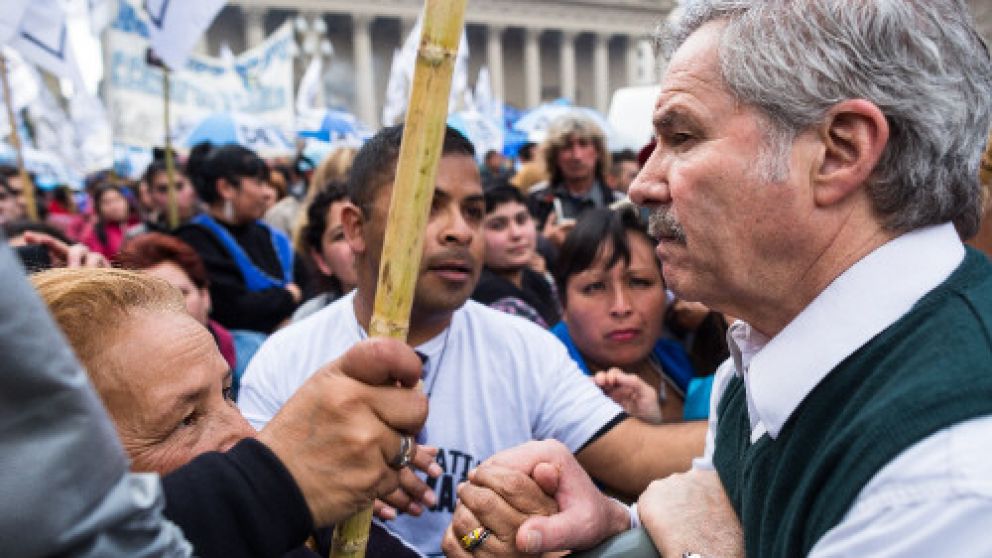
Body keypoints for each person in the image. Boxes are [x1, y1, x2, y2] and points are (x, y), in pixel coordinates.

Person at [444, 1, 992, 557]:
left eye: (682, 137)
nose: (641, 184)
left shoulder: (948, 471)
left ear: (838, 151)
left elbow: (708, 537)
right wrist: (618, 529)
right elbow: (716, 520)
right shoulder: (763, 352)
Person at [238, 124, 706, 557]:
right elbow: (253, 523)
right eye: (427, 206)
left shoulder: (527, 350)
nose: (459, 230)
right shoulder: (286, 360)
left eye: (474, 212)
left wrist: (770, 418)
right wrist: (318, 492)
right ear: (356, 227)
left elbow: (639, 454)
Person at [31, 266, 437, 558]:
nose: (248, 435)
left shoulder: (304, 533)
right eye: (184, 421)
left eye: (227, 394)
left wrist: (478, 539)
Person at [551, 207, 707, 423]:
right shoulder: (546, 385)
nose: (621, 307)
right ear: (563, 303)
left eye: (639, 282)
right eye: (594, 287)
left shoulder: (675, 357)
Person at [176, 142, 301, 335]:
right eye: (258, 183)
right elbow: (234, 307)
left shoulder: (271, 236)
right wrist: (288, 296)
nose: (266, 193)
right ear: (225, 188)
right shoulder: (195, 239)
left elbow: (307, 285)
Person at [117, 232, 238, 372]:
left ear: (205, 296)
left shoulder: (253, 352)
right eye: (152, 301)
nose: (171, 308)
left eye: (181, 294)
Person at [527, 114, 624, 247]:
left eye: (583, 144)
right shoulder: (536, 199)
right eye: (567, 147)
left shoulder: (619, 203)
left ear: (598, 152)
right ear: (554, 155)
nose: (577, 156)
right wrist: (544, 243)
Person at [471, 185, 560, 327]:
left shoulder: (535, 278)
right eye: (498, 226)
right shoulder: (494, 303)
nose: (516, 233)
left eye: (521, 219)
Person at [292, 180, 358, 322]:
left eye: (362, 228)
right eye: (341, 236)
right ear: (321, 259)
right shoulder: (308, 321)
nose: (357, 243)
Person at [127, 155, 202, 237]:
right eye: (163, 189)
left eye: (179, 186)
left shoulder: (211, 229)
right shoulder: (139, 237)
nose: (173, 197)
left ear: (192, 187)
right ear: (151, 194)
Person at [80, 184, 134, 261]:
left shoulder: (138, 222)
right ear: (98, 208)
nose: (114, 206)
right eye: (107, 202)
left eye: (118, 199)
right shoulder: (93, 234)